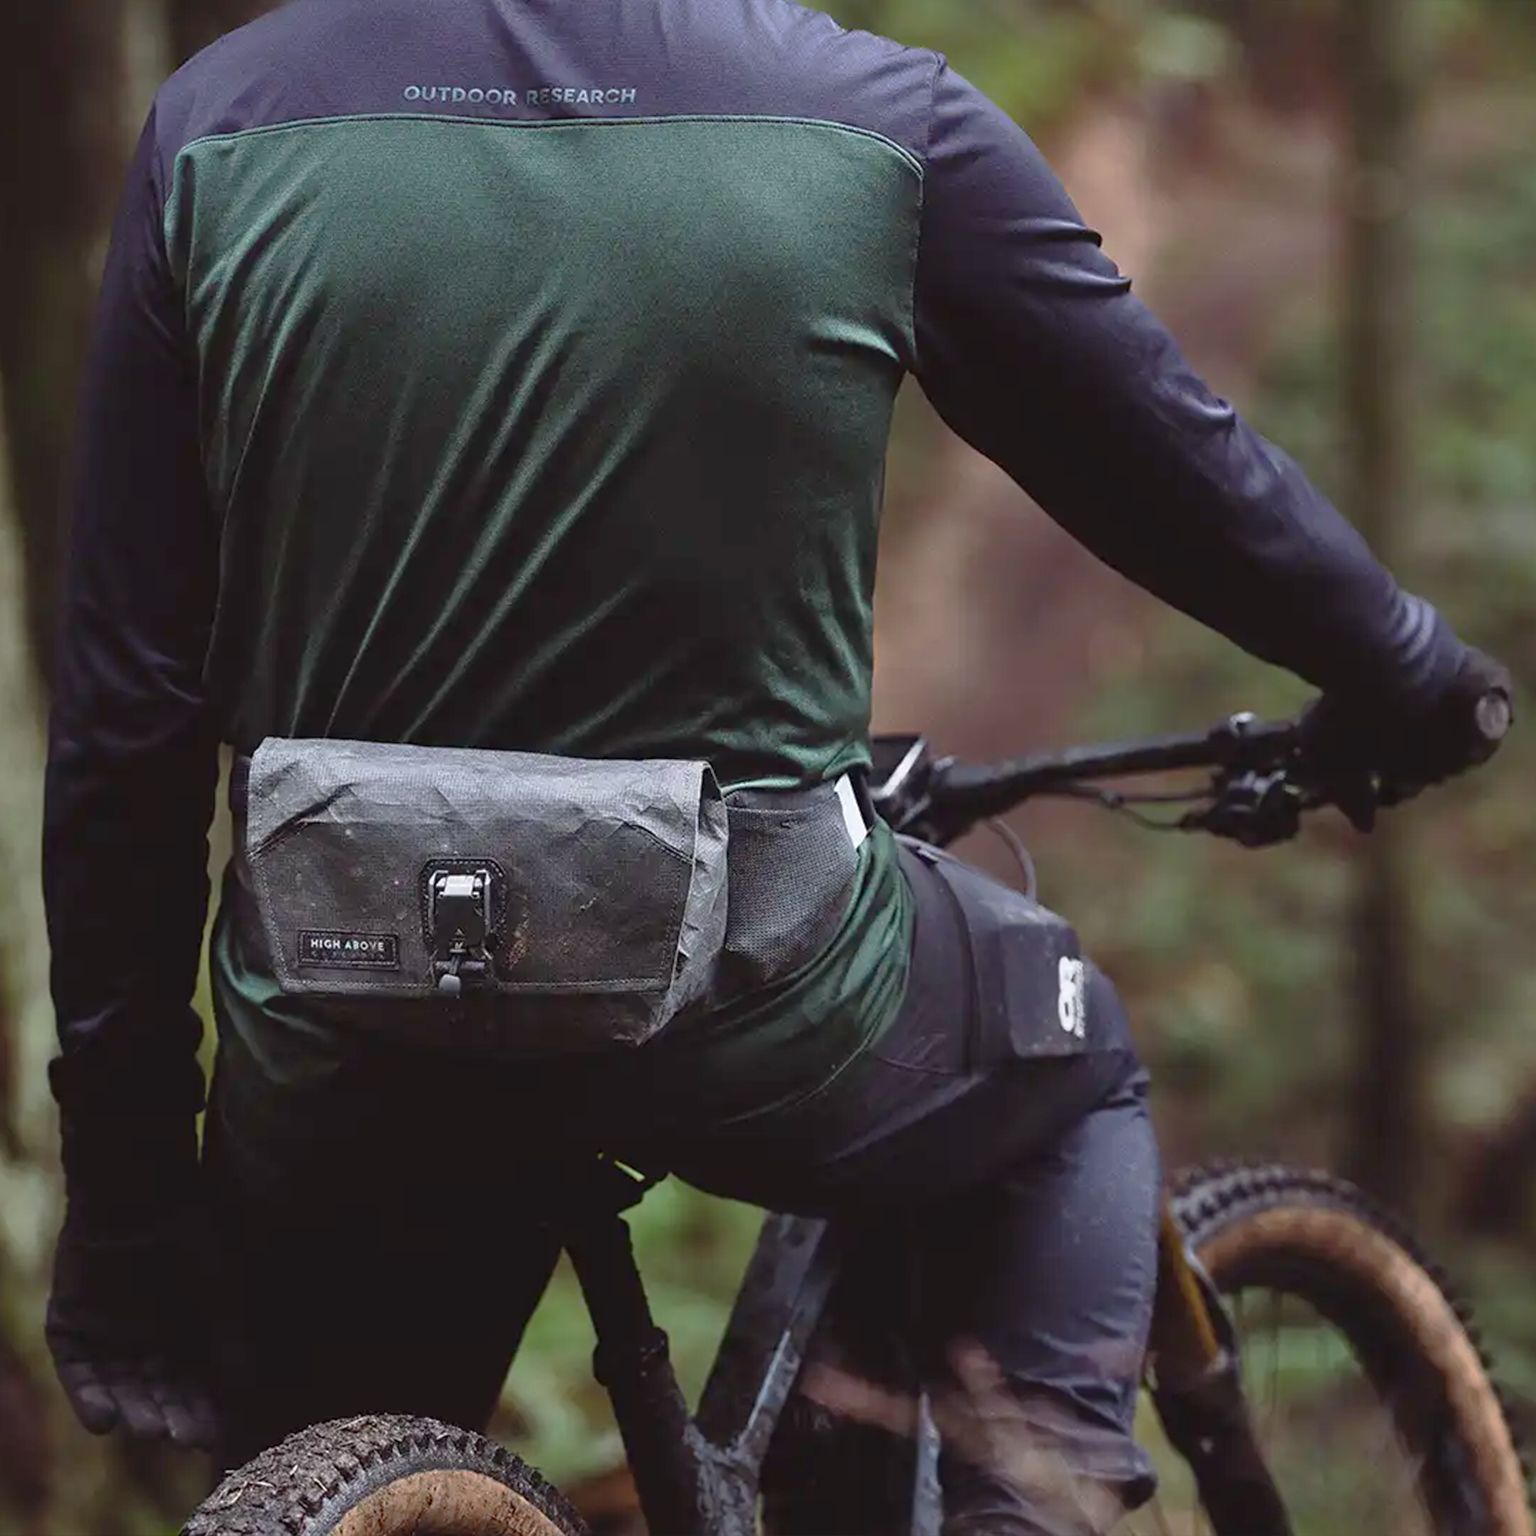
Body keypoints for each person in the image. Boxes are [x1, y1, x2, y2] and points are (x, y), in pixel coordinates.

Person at [41, 0, 1510, 1528]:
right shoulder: (875, 123)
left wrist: (127, 1195)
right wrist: (1398, 666)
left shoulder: (216, 125)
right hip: (764, 1004)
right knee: (1062, 1061)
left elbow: (126, 710)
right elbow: (1174, 461)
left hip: (344, 1030)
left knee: (325, 1467)